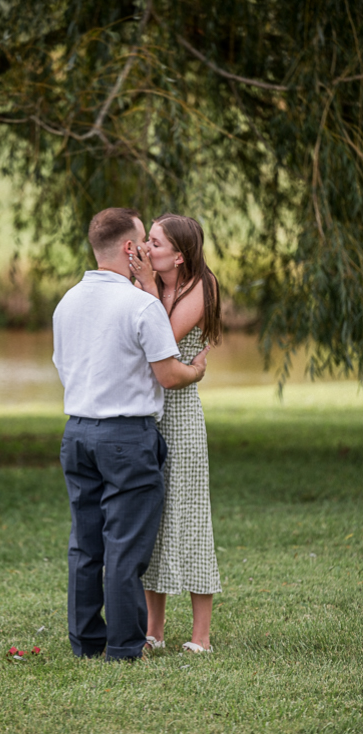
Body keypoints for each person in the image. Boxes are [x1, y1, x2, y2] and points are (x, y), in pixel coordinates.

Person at [51, 207, 209, 661]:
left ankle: (86, 643)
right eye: (142, 242)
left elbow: (65, 368)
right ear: (128, 248)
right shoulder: (141, 305)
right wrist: (195, 370)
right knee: (124, 546)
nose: (144, 249)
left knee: (85, 544)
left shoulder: (67, 303)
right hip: (126, 437)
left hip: (77, 432)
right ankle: (123, 647)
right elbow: (168, 374)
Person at [129, 213, 222, 654]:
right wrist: (143, 283)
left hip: (181, 417)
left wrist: (145, 285)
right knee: (154, 520)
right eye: (147, 240)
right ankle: (154, 631)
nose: (147, 247)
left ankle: (200, 637)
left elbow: (162, 336)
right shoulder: (147, 286)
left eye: (155, 242)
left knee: (189, 517)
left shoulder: (201, 286)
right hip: (147, 413)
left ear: (179, 255)